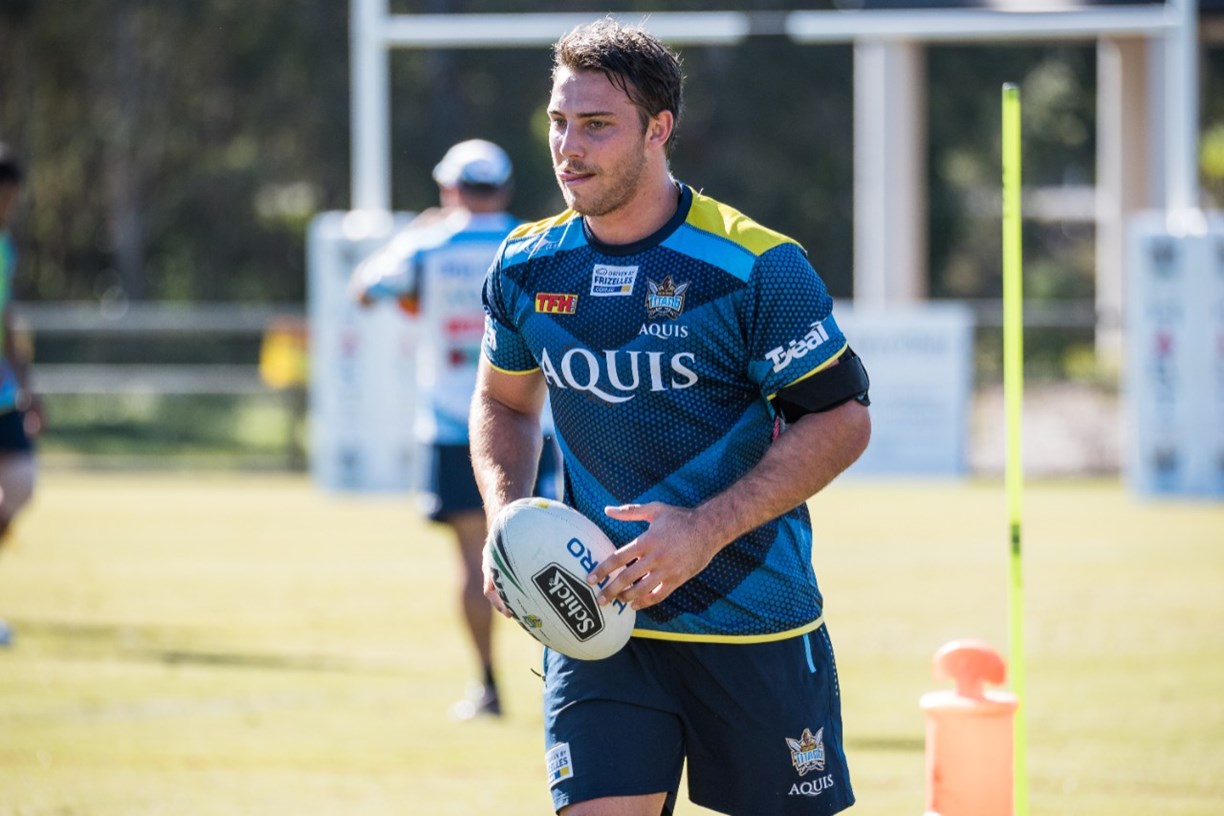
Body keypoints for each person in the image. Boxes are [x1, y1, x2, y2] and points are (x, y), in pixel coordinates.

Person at [469, 18, 871, 816]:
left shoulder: (756, 266)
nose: (568, 147)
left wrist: (703, 530)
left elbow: (842, 420)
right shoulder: (526, 266)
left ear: (659, 129)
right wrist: (507, 520)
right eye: (558, 121)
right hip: (596, 622)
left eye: (596, 125)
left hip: (753, 621)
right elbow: (502, 402)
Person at [350, 139, 560, 720]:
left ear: (449, 189)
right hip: (532, 421)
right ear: (506, 189)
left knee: (474, 559)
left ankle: (488, 687)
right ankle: (562, 685)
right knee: (550, 557)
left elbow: (364, 288)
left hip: (454, 423)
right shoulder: (532, 241)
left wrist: (418, 233)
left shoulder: (427, 243)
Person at [0, 144, 43, 647]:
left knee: (21, 481)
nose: (7, 207)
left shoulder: (4, 247)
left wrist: (28, 386)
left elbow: (7, 319)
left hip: (1, 387)